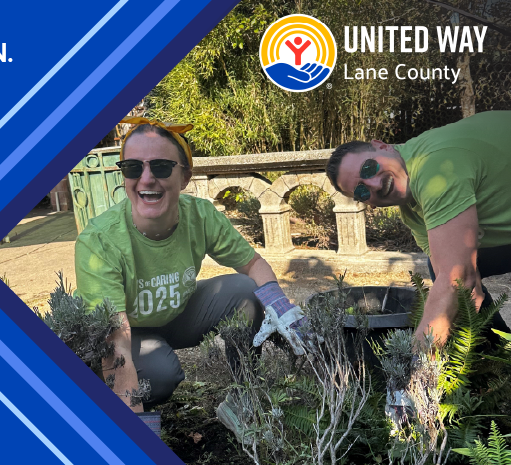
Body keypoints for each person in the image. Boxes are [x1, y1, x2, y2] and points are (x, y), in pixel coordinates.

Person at [74, 118, 304, 413]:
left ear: (185, 177)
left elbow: (253, 264)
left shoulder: (201, 216)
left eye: (161, 166)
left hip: (177, 315)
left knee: (248, 291)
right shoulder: (100, 242)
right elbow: (115, 343)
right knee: (158, 375)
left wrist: (284, 309)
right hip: (128, 334)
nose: (146, 179)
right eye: (133, 167)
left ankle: (247, 394)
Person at [325, 111, 511, 346]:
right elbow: (459, 279)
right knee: (440, 269)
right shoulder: (411, 209)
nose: (375, 184)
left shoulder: (434, 169)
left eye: (369, 168)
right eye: (362, 191)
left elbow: (457, 278)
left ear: (382, 147)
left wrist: (420, 356)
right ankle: (497, 356)